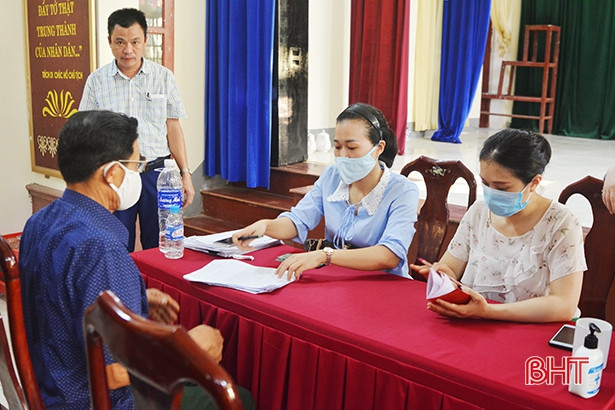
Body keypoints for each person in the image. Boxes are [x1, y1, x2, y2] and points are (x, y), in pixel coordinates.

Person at [19, 111, 253, 409]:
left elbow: (62, 300)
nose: (138, 174)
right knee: (236, 397)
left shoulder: (40, 222)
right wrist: (188, 349)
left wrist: (134, 300)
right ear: (112, 173)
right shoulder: (100, 247)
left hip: (50, 388)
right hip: (94, 400)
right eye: (136, 165)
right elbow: (112, 374)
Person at [411, 129, 586, 323]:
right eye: (485, 184)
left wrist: (488, 311)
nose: (492, 194)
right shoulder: (479, 212)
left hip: (531, 327)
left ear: (534, 182)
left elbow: (564, 305)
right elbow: (451, 267)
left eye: (502, 187)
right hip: (475, 320)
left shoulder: (560, 223)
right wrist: (444, 277)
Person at [233, 103, 419, 279]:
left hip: (383, 284)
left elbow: (390, 255)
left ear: (379, 148)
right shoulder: (332, 176)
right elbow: (298, 221)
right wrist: (266, 226)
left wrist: (325, 255)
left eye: (352, 147)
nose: (342, 155)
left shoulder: (402, 191)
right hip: (338, 278)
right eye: (337, 147)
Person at [79, 8, 194, 252]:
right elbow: (86, 133)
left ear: (145, 41)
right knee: (117, 245)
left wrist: (185, 173)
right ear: (110, 42)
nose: (128, 50)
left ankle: (156, 280)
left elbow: (173, 128)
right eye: (120, 42)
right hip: (116, 175)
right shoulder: (97, 81)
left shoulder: (164, 77)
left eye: (135, 42)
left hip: (158, 175)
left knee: (162, 244)